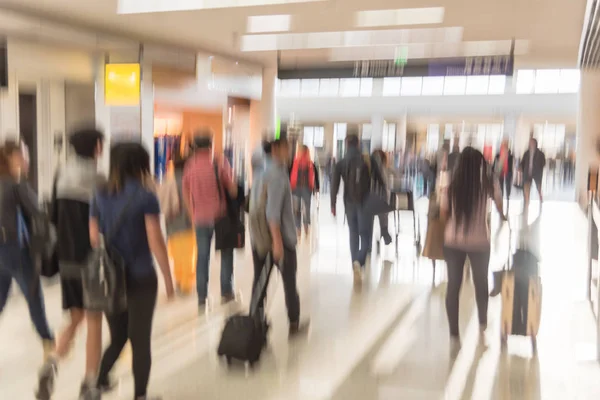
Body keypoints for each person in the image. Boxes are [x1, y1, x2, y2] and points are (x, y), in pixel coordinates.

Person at [90, 142, 174, 400]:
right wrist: (169, 279)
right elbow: (155, 239)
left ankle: (99, 382)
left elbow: (94, 237)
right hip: (140, 277)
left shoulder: (100, 193)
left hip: (110, 278)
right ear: (142, 164)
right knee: (140, 341)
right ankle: (140, 396)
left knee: (118, 336)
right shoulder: (145, 195)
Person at [36, 129, 107, 400]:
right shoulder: (98, 178)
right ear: (96, 147)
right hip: (91, 260)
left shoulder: (61, 174)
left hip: (66, 259)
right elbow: (103, 221)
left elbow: (53, 217)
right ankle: (90, 384)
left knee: (75, 317)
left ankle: (51, 362)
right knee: (93, 321)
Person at [441, 147, 505, 348]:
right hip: (479, 241)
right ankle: (483, 322)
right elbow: (500, 206)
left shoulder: (451, 185)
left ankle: (453, 334)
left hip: (453, 241)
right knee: (481, 282)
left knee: (453, 285)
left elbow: (444, 213)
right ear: (479, 164)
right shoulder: (488, 183)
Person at [0, 142, 54, 358]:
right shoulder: (15, 183)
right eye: (24, 155)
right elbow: (38, 211)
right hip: (14, 249)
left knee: (0, 296)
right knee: (33, 294)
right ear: (13, 157)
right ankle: (48, 341)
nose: (26, 159)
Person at [250, 137, 303, 335]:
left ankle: (255, 323)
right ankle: (294, 323)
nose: (289, 152)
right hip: (279, 240)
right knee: (289, 282)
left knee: (260, 283)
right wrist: (278, 243)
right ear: (275, 149)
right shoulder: (277, 175)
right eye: (286, 148)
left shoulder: (260, 171)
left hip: (259, 238)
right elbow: (272, 213)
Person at [182, 132, 238, 309]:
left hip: (200, 218)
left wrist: (192, 213)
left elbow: (185, 191)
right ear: (210, 145)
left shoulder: (190, 165)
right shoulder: (219, 162)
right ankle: (226, 292)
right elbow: (233, 190)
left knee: (202, 256)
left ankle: (202, 296)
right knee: (226, 254)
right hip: (220, 216)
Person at [331, 134, 385, 284]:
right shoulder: (368, 160)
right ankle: (359, 261)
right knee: (366, 235)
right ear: (358, 143)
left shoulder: (341, 162)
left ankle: (354, 261)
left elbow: (334, 185)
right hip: (366, 202)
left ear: (347, 144)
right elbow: (380, 181)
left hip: (349, 203)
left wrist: (333, 205)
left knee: (353, 233)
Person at [290, 145, 318, 237]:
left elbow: (315, 176)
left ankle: (304, 226)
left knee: (304, 209)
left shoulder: (310, 164)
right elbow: (289, 174)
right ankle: (298, 227)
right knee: (297, 209)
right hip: (296, 188)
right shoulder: (294, 163)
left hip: (305, 188)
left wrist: (316, 188)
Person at [370, 149, 392, 245]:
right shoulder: (384, 169)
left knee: (370, 219)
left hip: (371, 199)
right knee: (383, 218)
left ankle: (369, 242)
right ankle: (385, 233)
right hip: (382, 198)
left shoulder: (370, 168)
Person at [520, 138, 546, 216]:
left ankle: (540, 197)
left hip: (536, 173)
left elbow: (543, 163)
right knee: (526, 189)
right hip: (527, 173)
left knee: (538, 187)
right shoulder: (526, 153)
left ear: (535, 143)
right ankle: (526, 204)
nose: (530, 144)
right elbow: (522, 162)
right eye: (529, 143)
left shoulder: (540, 154)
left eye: (531, 143)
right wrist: (521, 168)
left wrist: (538, 169)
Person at [493, 138, 514, 212]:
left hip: (508, 172)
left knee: (508, 185)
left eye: (505, 144)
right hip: (500, 172)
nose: (504, 146)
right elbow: (494, 164)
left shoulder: (510, 155)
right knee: (501, 186)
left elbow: (512, 164)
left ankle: (508, 198)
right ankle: (501, 199)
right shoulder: (498, 155)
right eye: (503, 144)